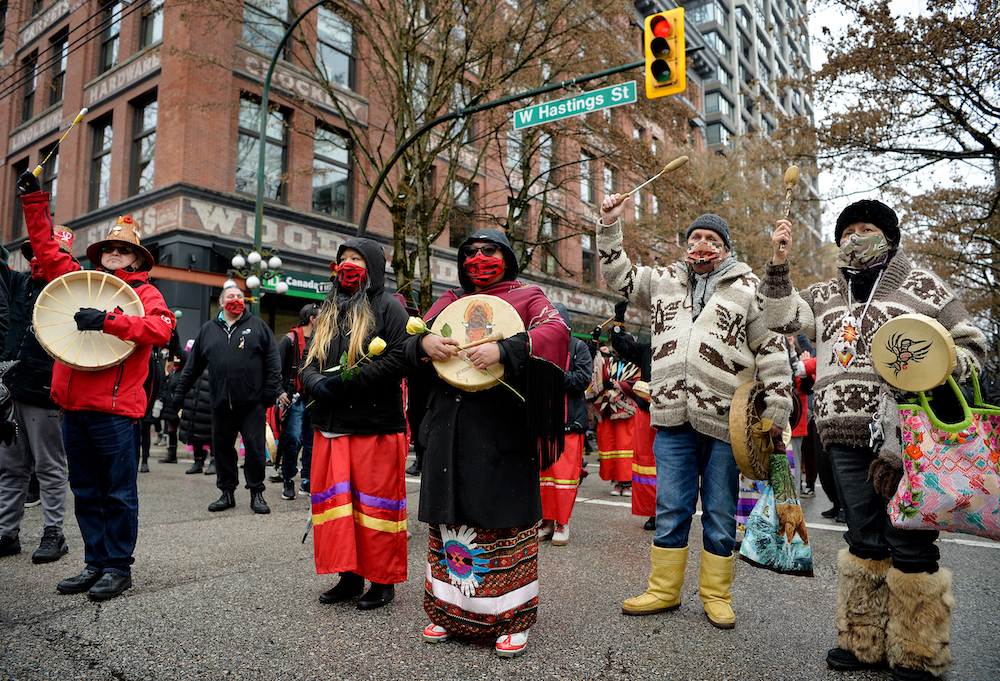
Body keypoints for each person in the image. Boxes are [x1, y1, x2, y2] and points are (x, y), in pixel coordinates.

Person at [765, 200, 987, 681]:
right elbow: (782, 318)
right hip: (840, 434)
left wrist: (941, 365)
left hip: (906, 435)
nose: (855, 237)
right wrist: (779, 262)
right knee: (863, 536)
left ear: (889, 236)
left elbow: (971, 343)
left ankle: (917, 650)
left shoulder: (922, 286)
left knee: (909, 538)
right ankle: (863, 641)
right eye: (847, 231)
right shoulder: (825, 291)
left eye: (866, 229)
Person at [598, 196, 792, 629]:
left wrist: (778, 408)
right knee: (670, 508)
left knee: (721, 512)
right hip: (670, 417)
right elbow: (618, 276)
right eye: (695, 237)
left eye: (711, 238)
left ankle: (716, 596)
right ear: (685, 244)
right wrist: (609, 223)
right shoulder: (663, 279)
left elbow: (773, 350)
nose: (702, 244)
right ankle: (663, 590)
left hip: (727, 424)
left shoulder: (749, 289)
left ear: (726, 247)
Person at [409, 228, 568, 658]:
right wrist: (425, 341)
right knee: (449, 519)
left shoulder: (528, 296)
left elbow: (556, 334)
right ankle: (447, 611)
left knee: (502, 522)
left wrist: (504, 350)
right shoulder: (449, 301)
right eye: (471, 252)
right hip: (449, 428)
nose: (479, 258)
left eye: (489, 250)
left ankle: (511, 617)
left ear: (507, 256)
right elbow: (413, 339)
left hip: (502, 432)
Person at [19, 172, 175, 601]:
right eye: (109, 248)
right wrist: (35, 201)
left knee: (117, 493)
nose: (113, 254)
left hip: (114, 412)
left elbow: (161, 331)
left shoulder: (149, 295)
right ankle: (95, 563)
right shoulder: (80, 282)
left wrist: (108, 321)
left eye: (123, 250)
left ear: (137, 261)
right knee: (85, 490)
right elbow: (50, 255)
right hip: (74, 407)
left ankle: (118, 567)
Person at [299, 238, 410, 611]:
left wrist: (347, 383)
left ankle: (382, 580)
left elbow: (398, 359)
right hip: (331, 428)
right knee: (339, 509)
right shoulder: (328, 309)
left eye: (356, 259)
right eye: (343, 259)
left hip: (374, 427)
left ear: (374, 267)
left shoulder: (389, 307)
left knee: (374, 509)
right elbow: (308, 359)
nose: (347, 265)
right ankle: (349, 576)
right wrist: (315, 383)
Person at [173, 283, 283, 514]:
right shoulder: (208, 330)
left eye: (240, 296)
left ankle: (257, 493)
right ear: (222, 302)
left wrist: (270, 391)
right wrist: (180, 394)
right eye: (230, 296)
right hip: (221, 404)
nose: (236, 299)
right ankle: (227, 493)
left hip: (252, 404)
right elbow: (192, 367)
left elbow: (273, 362)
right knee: (222, 449)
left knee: (254, 450)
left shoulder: (258, 326)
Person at [0, 229, 72, 564]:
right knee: (11, 469)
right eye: (33, 250)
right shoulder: (19, 284)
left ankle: (53, 534)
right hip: (11, 393)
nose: (37, 256)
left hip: (44, 394)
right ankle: (7, 533)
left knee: (49, 468)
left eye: (47, 251)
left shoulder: (69, 291)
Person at [537, 303, 593, 546]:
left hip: (569, 424)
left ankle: (562, 522)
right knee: (543, 478)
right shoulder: (539, 346)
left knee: (563, 479)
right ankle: (547, 522)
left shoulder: (579, 347)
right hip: (543, 424)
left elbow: (582, 379)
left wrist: (552, 375)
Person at [608, 300, 658, 532]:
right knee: (646, 466)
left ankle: (671, 512)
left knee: (671, 467)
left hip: (673, 417)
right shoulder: (647, 349)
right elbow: (621, 344)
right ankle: (653, 513)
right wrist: (619, 319)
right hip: (646, 417)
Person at [274, 303, 319, 500]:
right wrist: (280, 392)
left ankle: (307, 480)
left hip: (313, 399)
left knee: (312, 443)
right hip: (294, 398)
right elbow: (274, 368)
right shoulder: (289, 340)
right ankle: (288, 479)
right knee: (292, 439)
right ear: (312, 319)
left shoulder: (321, 340)